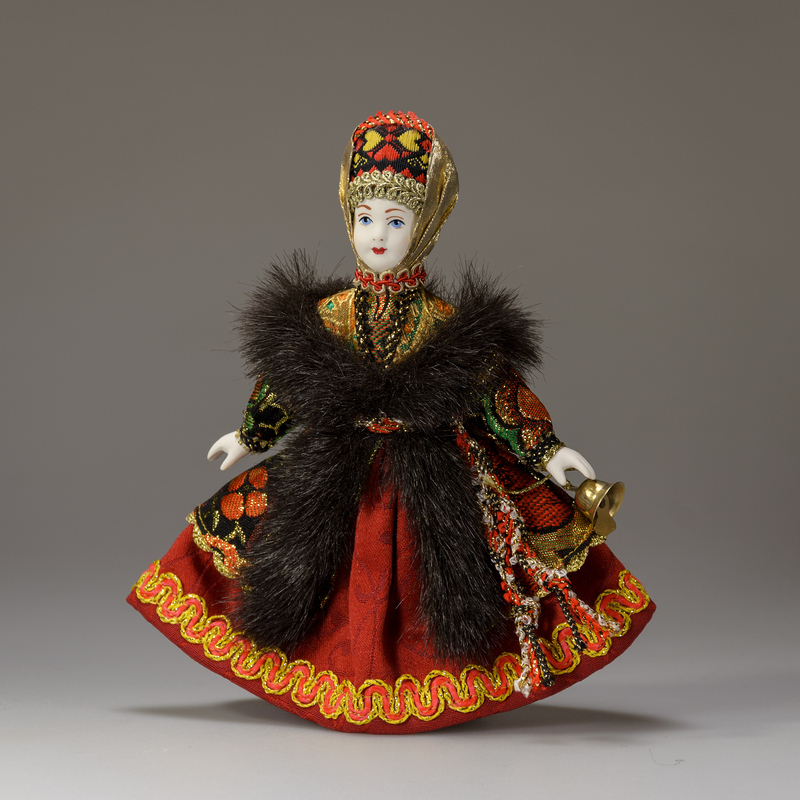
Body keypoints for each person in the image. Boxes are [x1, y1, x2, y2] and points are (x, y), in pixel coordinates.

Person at [128, 111, 654, 733]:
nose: (378, 235)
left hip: (429, 471)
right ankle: (337, 673)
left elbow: (495, 392)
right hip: (336, 468)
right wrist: (251, 434)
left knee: (442, 574)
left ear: (426, 225)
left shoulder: (443, 321)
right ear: (348, 220)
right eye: (365, 218)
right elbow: (290, 379)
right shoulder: (331, 314)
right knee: (295, 558)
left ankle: (426, 678)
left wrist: (546, 450)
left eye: (397, 220)